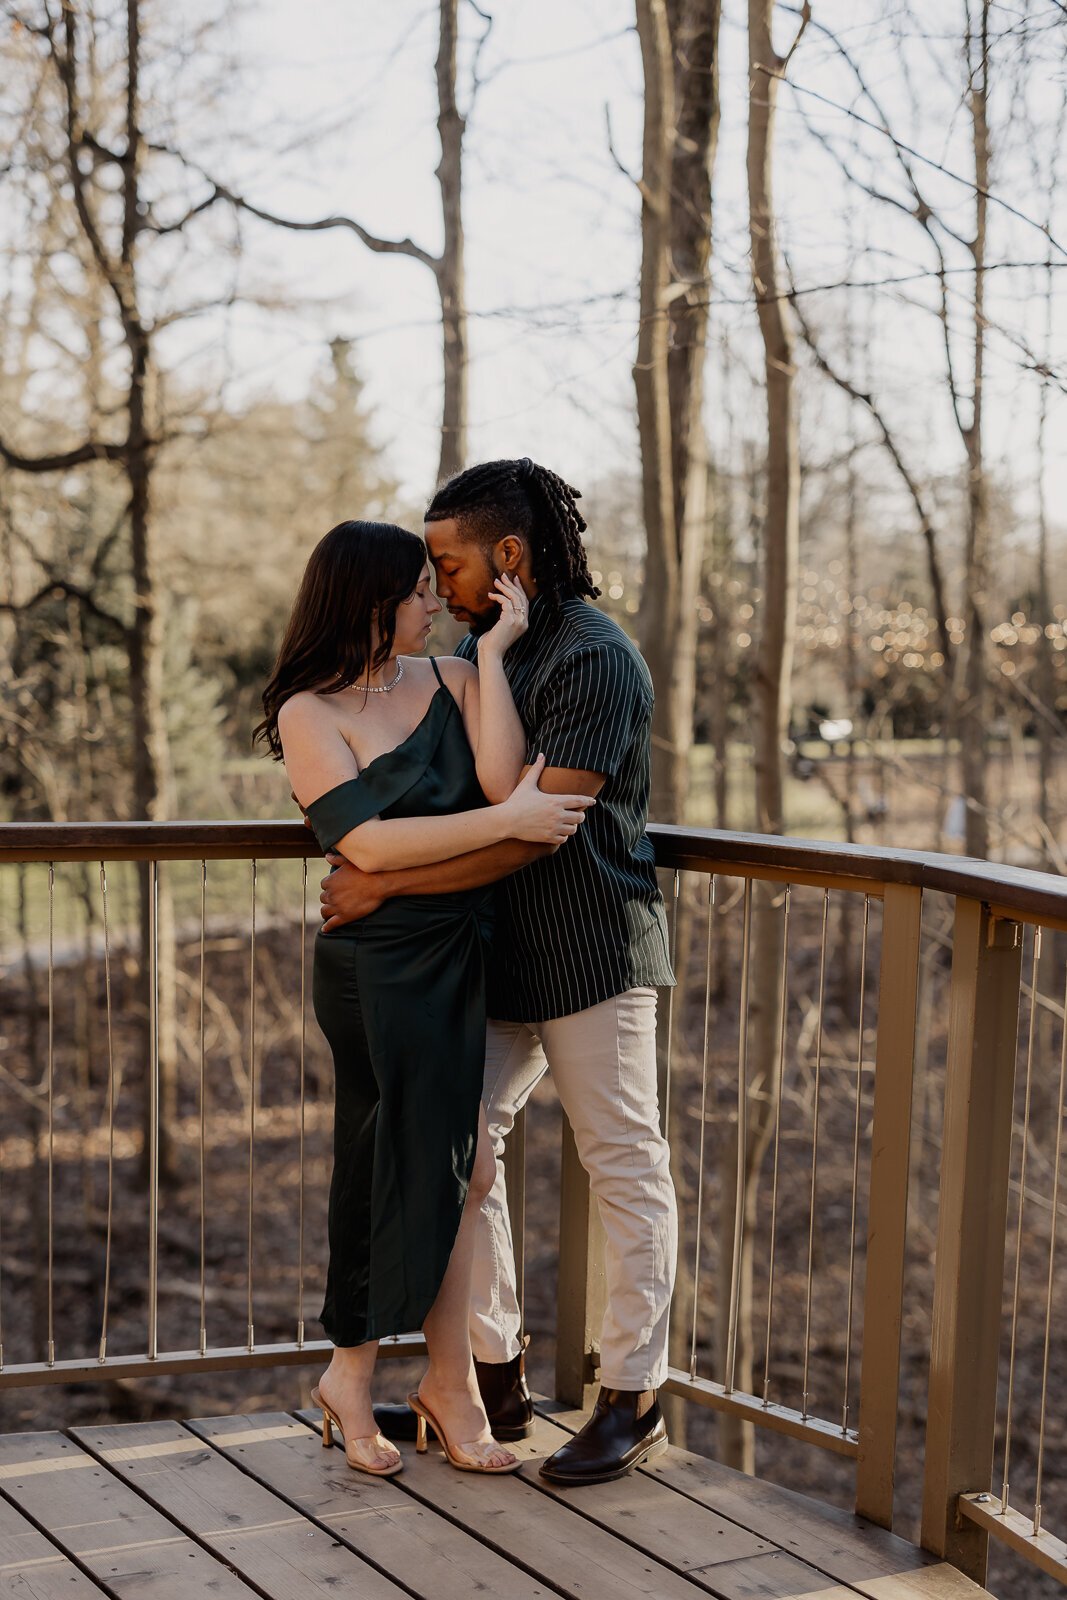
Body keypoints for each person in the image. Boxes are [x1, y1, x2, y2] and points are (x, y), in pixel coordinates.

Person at [320, 461, 679, 1486]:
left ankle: (630, 1395)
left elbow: (538, 831)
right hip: (489, 957)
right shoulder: (486, 645)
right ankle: (490, 1376)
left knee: (621, 1162)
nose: (433, 581)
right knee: (460, 1159)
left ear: (508, 556)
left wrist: (383, 887)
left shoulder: (596, 660)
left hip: (590, 953)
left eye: (447, 561)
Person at [255, 518, 595, 1477]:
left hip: (463, 951)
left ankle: (435, 1384)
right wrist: (508, 820)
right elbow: (362, 846)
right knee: (398, 1166)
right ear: (368, 602)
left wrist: (491, 656)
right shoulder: (308, 713)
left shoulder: (449, 673)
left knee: (461, 1173)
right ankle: (356, 1377)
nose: (436, 603)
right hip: (378, 966)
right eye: (416, 592)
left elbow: (498, 776)